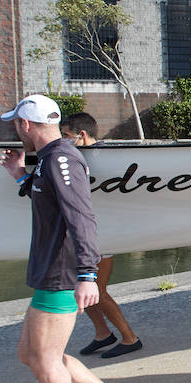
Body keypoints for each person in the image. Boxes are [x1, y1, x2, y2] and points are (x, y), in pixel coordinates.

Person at [0, 94, 136, 383]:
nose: (15, 129)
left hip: (62, 275)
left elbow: (81, 216)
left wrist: (88, 273)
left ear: (26, 125)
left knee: (44, 361)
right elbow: (50, 201)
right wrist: (20, 176)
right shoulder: (47, 160)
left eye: (16, 124)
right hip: (49, 272)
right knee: (32, 355)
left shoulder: (62, 158)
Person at [60, 112, 143, 358]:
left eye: (66, 136)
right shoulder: (81, 156)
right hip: (84, 233)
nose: (63, 141)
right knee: (80, 287)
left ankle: (130, 338)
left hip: (101, 234)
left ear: (81, 136)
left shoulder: (105, 157)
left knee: (96, 288)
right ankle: (102, 334)